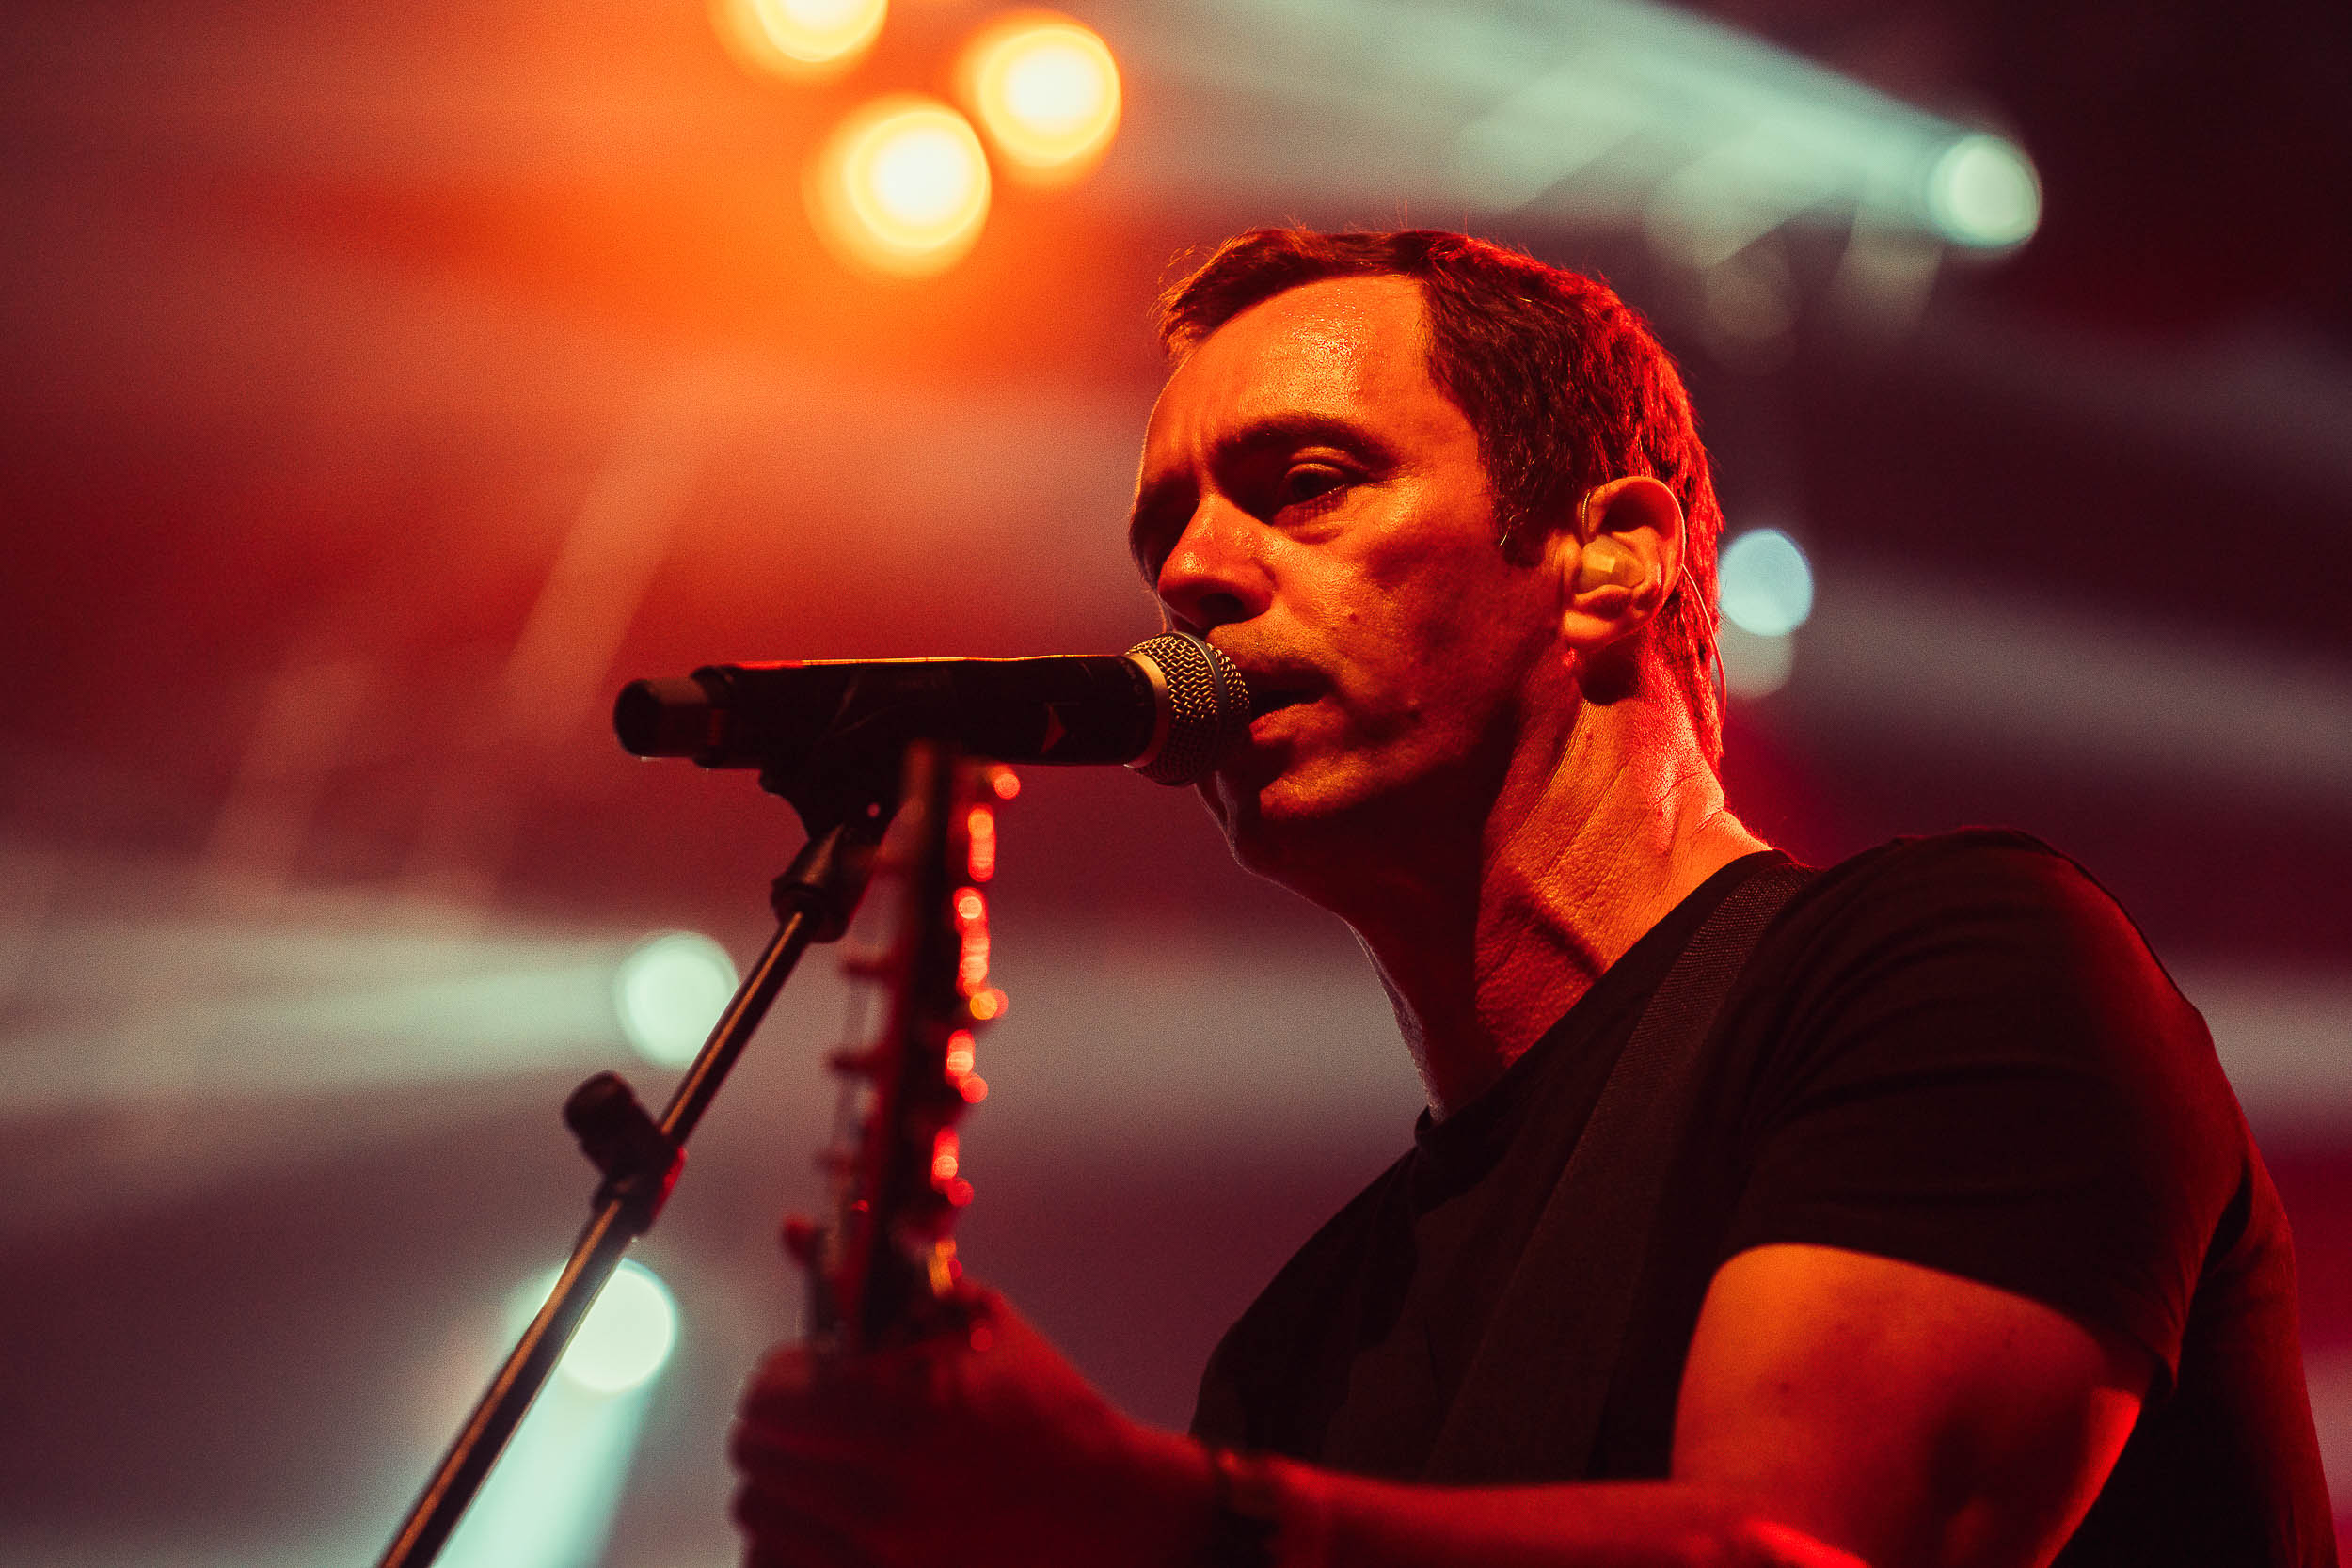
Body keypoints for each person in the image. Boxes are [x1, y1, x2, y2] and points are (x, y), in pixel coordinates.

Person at [727, 229, 2335, 1567]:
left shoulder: (1964, 967)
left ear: (1611, 559)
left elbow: (1805, 1554)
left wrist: (1140, 1515)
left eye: (1305, 482)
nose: (1194, 579)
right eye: (1169, 539)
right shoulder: (1301, 1351)